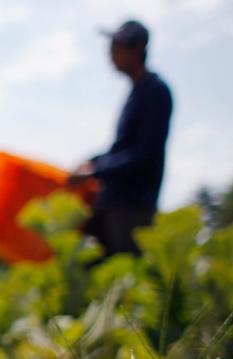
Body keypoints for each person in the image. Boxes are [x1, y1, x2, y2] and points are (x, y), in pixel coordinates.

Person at [70, 19, 173, 257]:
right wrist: (92, 162)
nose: (110, 55)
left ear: (137, 49)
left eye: (116, 48)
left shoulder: (154, 92)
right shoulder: (137, 92)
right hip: (112, 202)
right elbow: (121, 148)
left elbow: (144, 153)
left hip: (132, 206)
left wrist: (95, 170)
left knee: (125, 275)